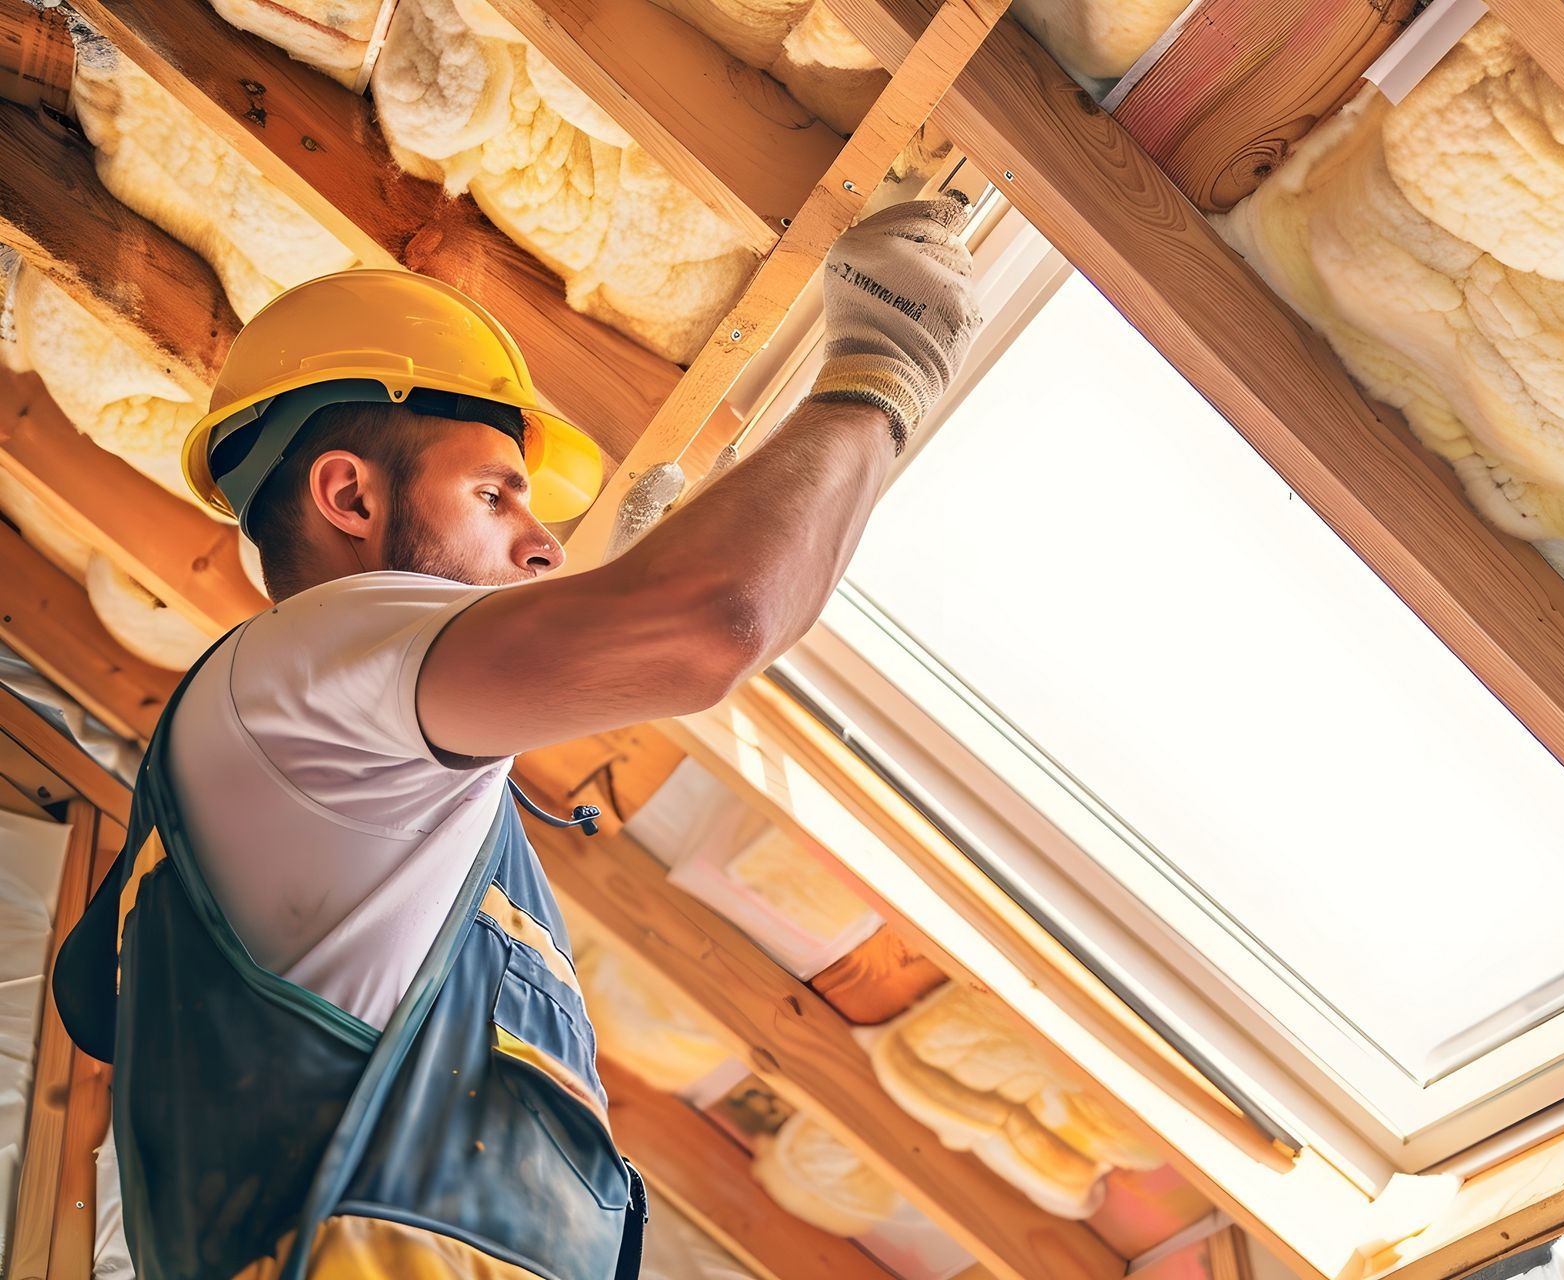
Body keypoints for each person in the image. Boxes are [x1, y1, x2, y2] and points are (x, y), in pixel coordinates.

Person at [52, 195, 981, 1280]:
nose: (544, 543)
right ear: (348, 494)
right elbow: (715, 622)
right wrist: (884, 368)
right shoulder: (304, 661)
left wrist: (621, 605)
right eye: (498, 493)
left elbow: (99, 994)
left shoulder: (299, 743)